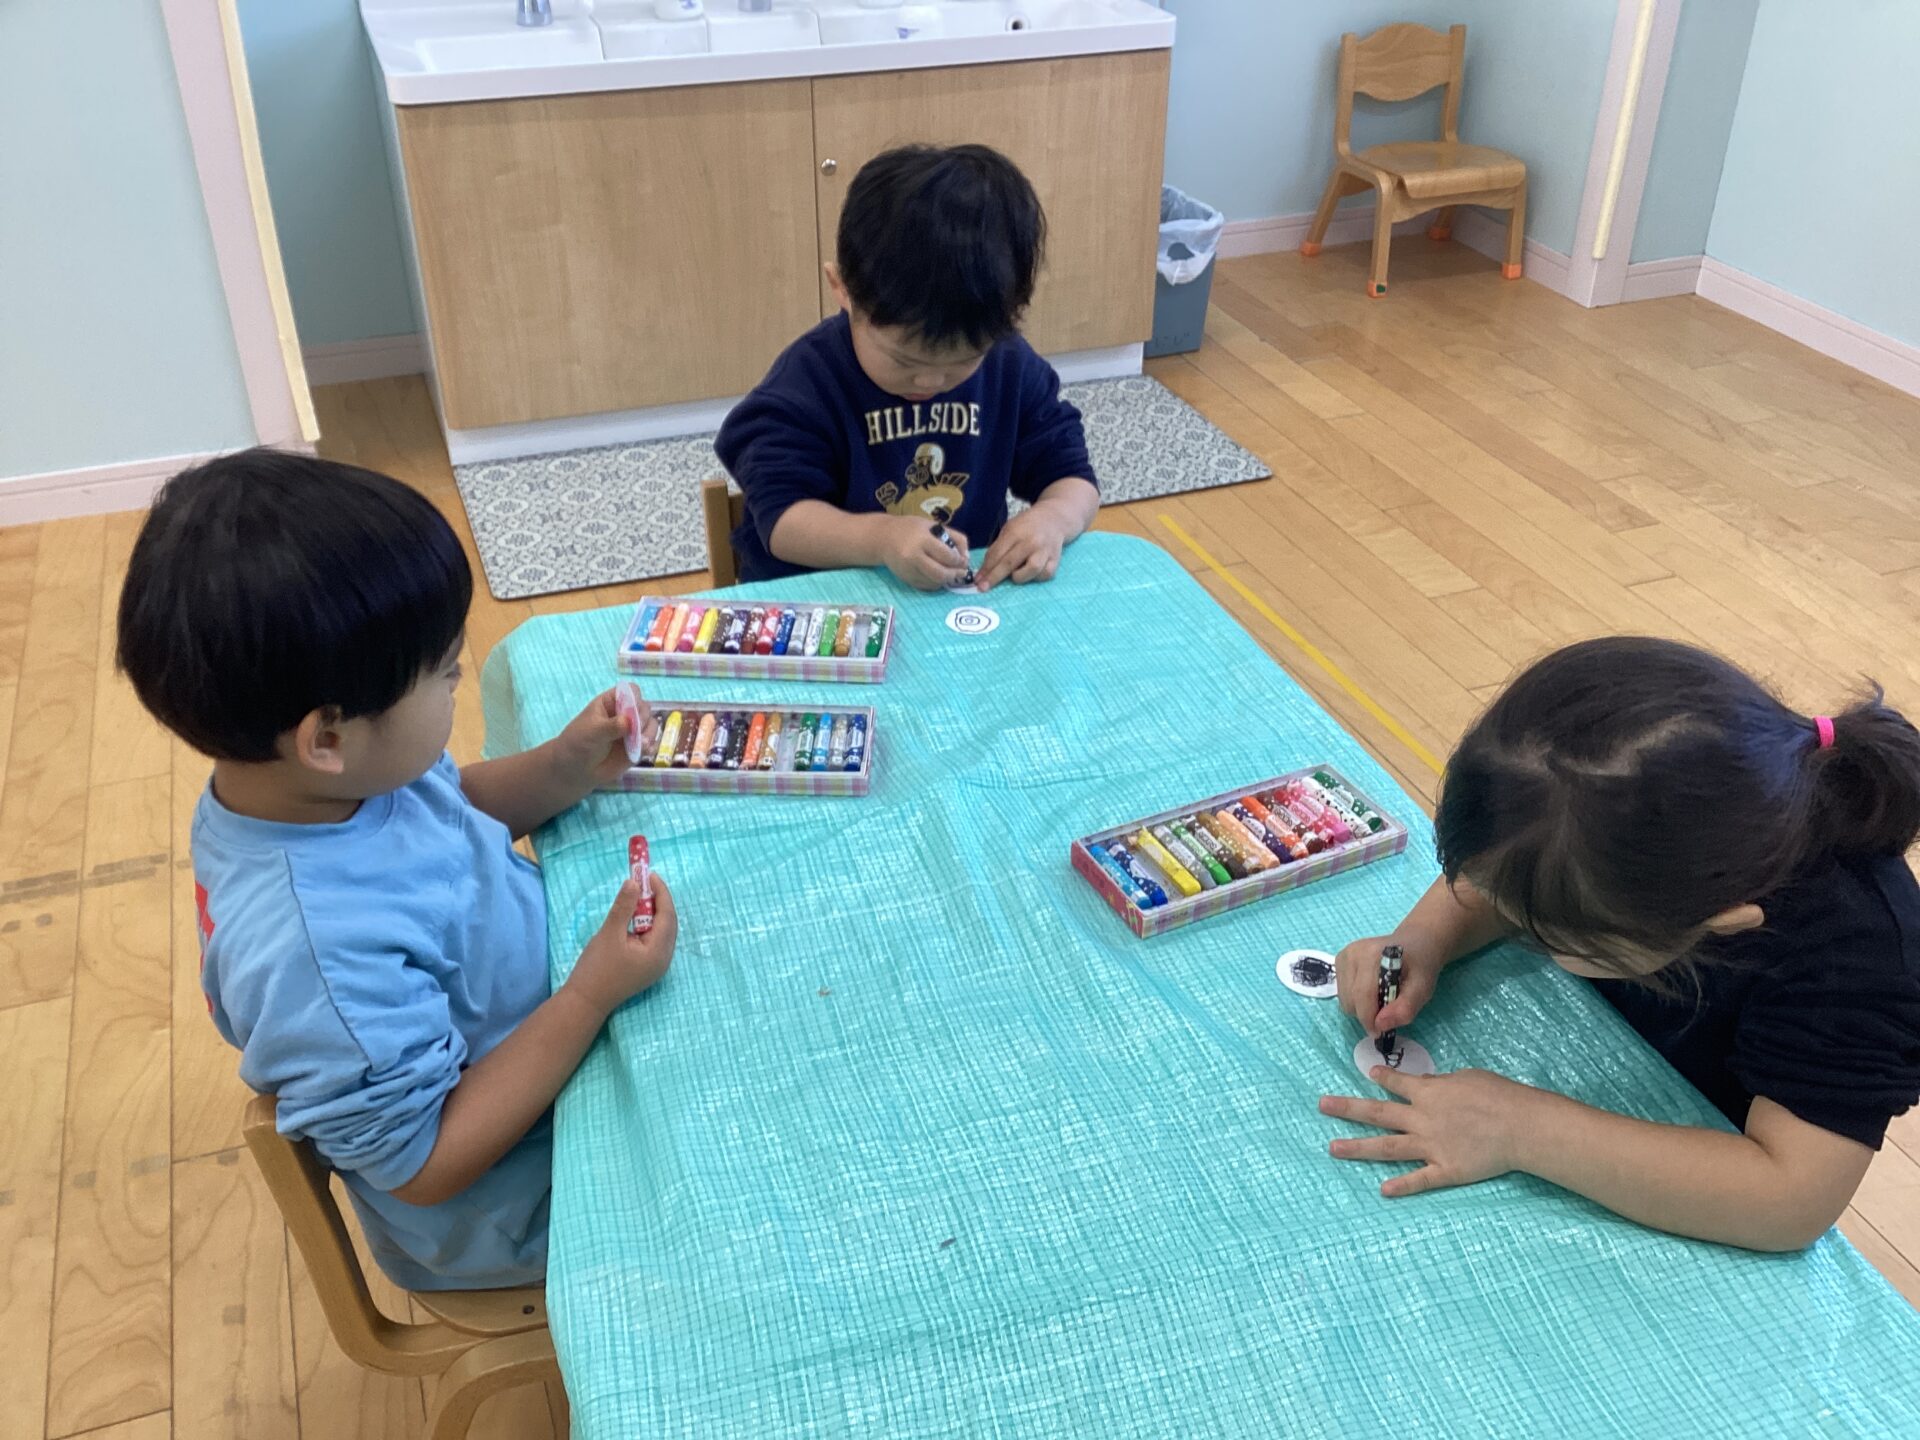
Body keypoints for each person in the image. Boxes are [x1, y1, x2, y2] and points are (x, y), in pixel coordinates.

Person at [117, 449, 677, 1290]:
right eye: (445, 674)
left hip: (544, 1046)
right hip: (518, 1198)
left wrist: (563, 768)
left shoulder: (307, 785)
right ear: (327, 737)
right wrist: (591, 995)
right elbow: (425, 1163)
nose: (460, 681)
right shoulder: (316, 959)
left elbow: (449, 817)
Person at [1321, 637, 1920, 1251]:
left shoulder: (1863, 963)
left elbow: (1789, 1201)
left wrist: (1519, 1127)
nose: (1514, 924)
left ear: (1717, 923)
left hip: (1707, 1152)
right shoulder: (1632, 802)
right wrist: (1424, 937)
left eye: (1544, 934)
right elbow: (1515, 865)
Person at [716, 143, 1099, 591]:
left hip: (951, 600)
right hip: (823, 602)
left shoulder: (1009, 365)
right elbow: (782, 521)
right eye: (904, 360)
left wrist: (1054, 518)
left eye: (963, 360)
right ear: (843, 289)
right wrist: (880, 538)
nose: (931, 381)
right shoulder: (807, 383)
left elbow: (1073, 477)